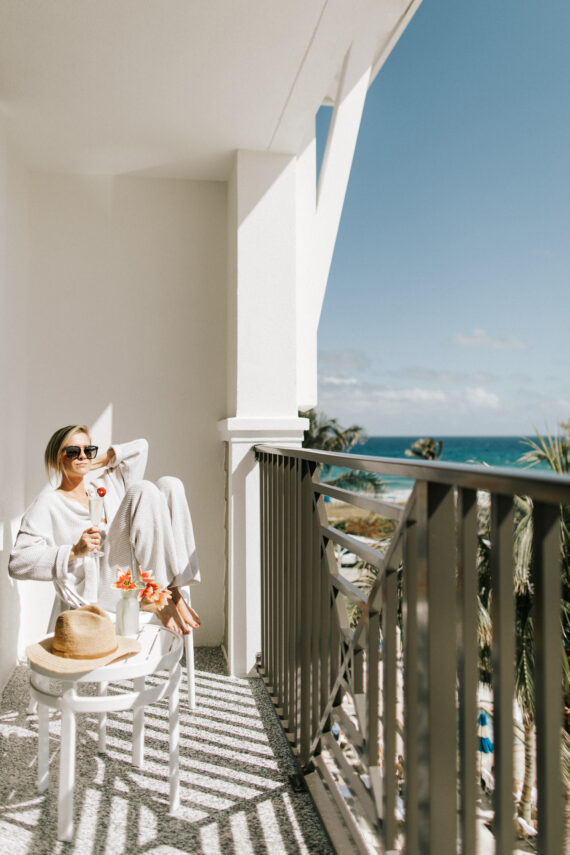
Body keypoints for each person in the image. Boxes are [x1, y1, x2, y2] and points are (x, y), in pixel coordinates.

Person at [9, 424, 200, 634]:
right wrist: (73, 552)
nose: (82, 456)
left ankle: (170, 589)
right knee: (143, 489)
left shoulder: (103, 487)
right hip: (99, 588)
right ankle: (156, 593)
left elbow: (140, 448)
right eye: (73, 452)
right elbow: (18, 562)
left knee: (170, 485)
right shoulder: (49, 503)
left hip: (132, 575)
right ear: (57, 458)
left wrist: (93, 463)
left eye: (88, 450)